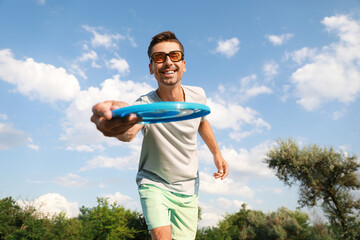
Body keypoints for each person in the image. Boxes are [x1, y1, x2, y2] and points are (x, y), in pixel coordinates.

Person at [91, 31, 229, 240]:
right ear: (151, 68)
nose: (167, 62)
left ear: (184, 63)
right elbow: (129, 132)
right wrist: (116, 124)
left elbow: (202, 122)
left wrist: (216, 153)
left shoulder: (198, 96)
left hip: (188, 186)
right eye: (158, 57)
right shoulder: (144, 105)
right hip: (154, 182)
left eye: (174, 56)